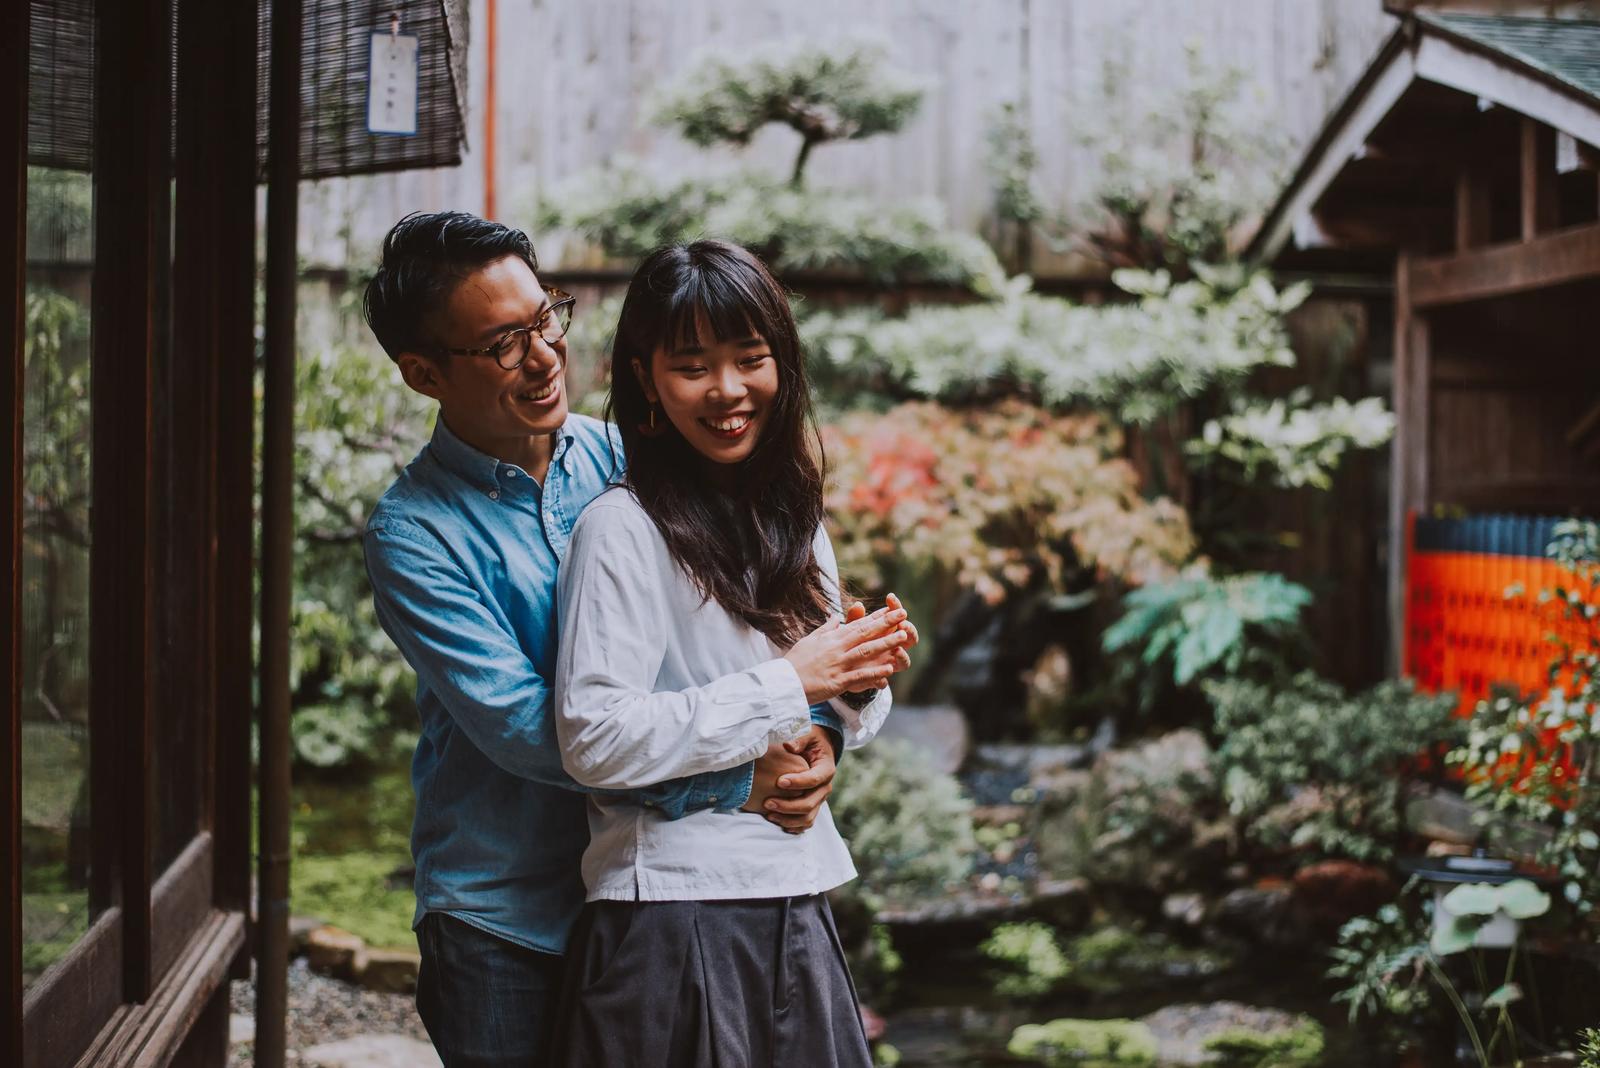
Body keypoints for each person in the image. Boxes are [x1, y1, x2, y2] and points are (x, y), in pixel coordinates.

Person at [360, 212, 904, 1066]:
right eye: (504, 343)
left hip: (667, 894)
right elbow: (537, 731)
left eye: (546, 319)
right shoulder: (415, 535)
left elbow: (747, 640)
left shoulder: (632, 457)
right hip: (511, 912)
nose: (544, 356)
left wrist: (820, 736)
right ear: (423, 372)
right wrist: (743, 773)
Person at [548, 240, 914, 1068]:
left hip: (794, 898)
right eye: (693, 366)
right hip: (672, 915)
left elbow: (819, 701)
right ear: (645, 377)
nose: (727, 391)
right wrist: (795, 681)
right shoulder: (621, 527)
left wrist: (839, 712)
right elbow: (595, 738)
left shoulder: (791, 514)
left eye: (751, 360)